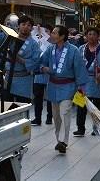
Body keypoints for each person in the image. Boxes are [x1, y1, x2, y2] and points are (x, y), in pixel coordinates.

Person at [40, 25, 88, 154]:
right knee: (56, 116)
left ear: (62, 36)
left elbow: (79, 69)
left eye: (55, 33)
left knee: (65, 112)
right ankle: (58, 140)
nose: (52, 35)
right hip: (53, 86)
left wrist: (82, 87)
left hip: (68, 86)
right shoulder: (50, 49)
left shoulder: (74, 50)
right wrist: (43, 68)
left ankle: (63, 141)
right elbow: (42, 61)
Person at [74, 27, 100, 137]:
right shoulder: (81, 48)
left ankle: (97, 128)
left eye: (94, 34)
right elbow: (76, 64)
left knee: (97, 106)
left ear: (98, 36)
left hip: (97, 80)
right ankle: (80, 129)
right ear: (86, 36)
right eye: (89, 34)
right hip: (83, 81)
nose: (91, 36)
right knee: (80, 106)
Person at [4, 15, 41, 103]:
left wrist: (19, 59)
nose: (25, 27)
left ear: (32, 28)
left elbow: (35, 63)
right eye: (23, 24)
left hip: (24, 80)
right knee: (6, 108)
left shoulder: (34, 44)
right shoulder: (11, 38)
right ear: (18, 26)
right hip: (8, 78)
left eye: (29, 25)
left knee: (22, 108)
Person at [31, 24, 53, 126]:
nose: (46, 33)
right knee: (38, 98)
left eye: (48, 31)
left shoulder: (53, 45)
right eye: (44, 31)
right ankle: (37, 118)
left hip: (49, 74)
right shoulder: (37, 43)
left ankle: (49, 117)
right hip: (38, 75)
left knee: (50, 98)